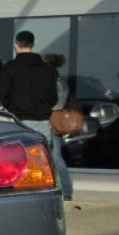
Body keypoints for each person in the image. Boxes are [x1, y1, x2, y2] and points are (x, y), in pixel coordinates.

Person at [0, 31, 71, 200]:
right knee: (43, 160)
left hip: (18, 120)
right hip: (42, 120)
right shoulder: (48, 70)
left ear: (16, 44)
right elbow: (54, 97)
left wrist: (10, 108)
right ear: (33, 44)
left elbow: (0, 95)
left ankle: (20, 192)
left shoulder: (10, 68)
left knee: (18, 159)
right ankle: (51, 192)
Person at [42, 53, 75, 200]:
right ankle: (62, 190)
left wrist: (42, 106)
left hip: (52, 123)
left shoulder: (57, 82)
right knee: (52, 157)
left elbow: (59, 104)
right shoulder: (54, 80)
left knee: (55, 157)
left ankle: (66, 191)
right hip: (48, 122)